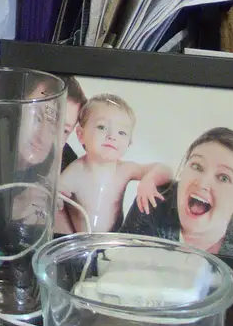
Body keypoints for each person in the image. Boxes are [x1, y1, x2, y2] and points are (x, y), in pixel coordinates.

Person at [119, 127, 233, 258]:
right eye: (197, 166)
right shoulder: (152, 202)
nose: (202, 183)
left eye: (223, 178)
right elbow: (118, 264)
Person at [56, 94, 172, 233]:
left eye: (121, 132)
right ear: (81, 134)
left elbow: (166, 170)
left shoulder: (124, 170)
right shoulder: (76, 171)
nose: (112, 136)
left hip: (113, 242)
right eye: (101, 127)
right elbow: (55, 195)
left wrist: (149, 180)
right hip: (82, 243)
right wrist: (57, 197)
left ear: (129, 143)